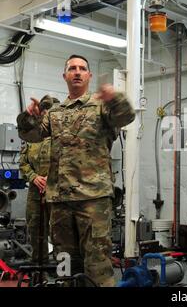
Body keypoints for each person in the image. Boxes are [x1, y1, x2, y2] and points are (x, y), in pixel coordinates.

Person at [16, 54, 135, 287]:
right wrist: (29, 118)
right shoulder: (55, 112)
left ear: (89, 75)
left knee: (97, 263)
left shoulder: (102, 107)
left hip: (93, 199)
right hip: (60, 200)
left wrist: (115, 98)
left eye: (82, 68)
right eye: (72, 68)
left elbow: (126, 116)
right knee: (65, 262)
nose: (77, 72)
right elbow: (30, 135)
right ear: (65, 76)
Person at [19, 96, 59, 266]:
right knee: (35, 230)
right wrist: (34, 177)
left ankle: (62, 272)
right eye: (44, 110)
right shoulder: (32, 137)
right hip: (36, 191)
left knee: (59, 232)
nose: (45, 113)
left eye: (49, 110)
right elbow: (23, 163)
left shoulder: (60, 135)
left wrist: (51, 178)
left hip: (58, 191)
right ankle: (38, 267)